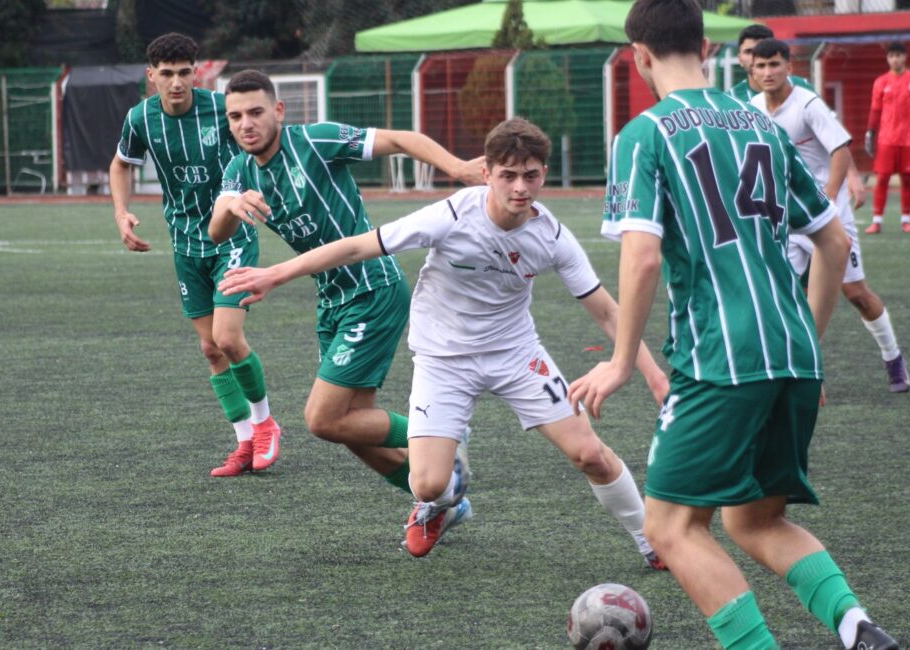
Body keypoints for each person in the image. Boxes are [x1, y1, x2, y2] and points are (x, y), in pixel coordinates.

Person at [569, 1, 900, 649]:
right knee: (754, 520)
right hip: (794, 351)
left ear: (638, 57)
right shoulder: (764, 126)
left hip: (720, 357)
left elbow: (640, 257)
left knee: (670, 528)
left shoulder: (644, 134)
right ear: (711, 48)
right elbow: (832, 243)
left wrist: (618, 361)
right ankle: (858, 628)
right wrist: (808, 340)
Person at [220, 117, 672, 563]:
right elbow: (359, 246)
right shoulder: (453, 214)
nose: (520, 188)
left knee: (590, 453)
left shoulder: (552, 235)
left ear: (543, 176)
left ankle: (651, 539)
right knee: (427, 483)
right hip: (443, 361)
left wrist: (653, 376)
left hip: (516, 355)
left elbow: (609, 311)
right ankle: (436, 501)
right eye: (508, 176)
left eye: (531, 176)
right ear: (487, 174)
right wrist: (275, 274)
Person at [209, 69, 482, 517]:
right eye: (235, 116)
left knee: (323, 419)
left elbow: (401, 139)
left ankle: (440, 434)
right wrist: (229, 206)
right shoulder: (240, 169)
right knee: (351, 430)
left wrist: (456, 168)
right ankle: (442, 501)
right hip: (332, 300)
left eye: (256, 112)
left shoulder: (315, 140)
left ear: (278, 111)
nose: (246, 124)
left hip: (371, 289)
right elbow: (218, 232)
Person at [109, 33, 280, 478]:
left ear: (196, 72)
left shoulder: (220, 109)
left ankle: (265, 424)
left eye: (184, 72)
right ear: (152, 77)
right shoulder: (141, 118)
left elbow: (258, 143)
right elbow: (121, 163)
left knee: (226, 337)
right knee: (209, 348)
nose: (176, 82)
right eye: (166, 74)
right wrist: (122, 212)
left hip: (232, 236)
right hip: (185, 243)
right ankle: (244, 442)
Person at [751, 39, 910, 394]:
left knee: (855, 293)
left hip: (826, 221)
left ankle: (892, 355)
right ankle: (791, 368)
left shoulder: (807, 105)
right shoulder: (753, 108)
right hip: (787, 222)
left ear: (789, 68)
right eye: (760, 66)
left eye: (774, 65)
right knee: (776, 292)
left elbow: (839, 149)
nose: (767, 72)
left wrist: (828, 194)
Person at [730, 24, 867, 211]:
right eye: (749, 52)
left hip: (817, 191)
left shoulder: (801, 91)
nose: (759, 55)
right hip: (777, 198)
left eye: (764, 50)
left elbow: (833, 136)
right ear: (741, 59)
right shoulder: (734, 100)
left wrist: (852, 175)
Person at [864, 41, 910, 234]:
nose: (895, 59)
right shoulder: (881, 82)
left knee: (907, 179)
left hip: (909, 139)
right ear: (887, 59)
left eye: (898, 55)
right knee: (882, 179)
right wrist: (870, 132)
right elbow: (875, 110)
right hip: (886, 139)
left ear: (904, 57)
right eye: (891, 56)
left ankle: (906, 220)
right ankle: (877, 221)